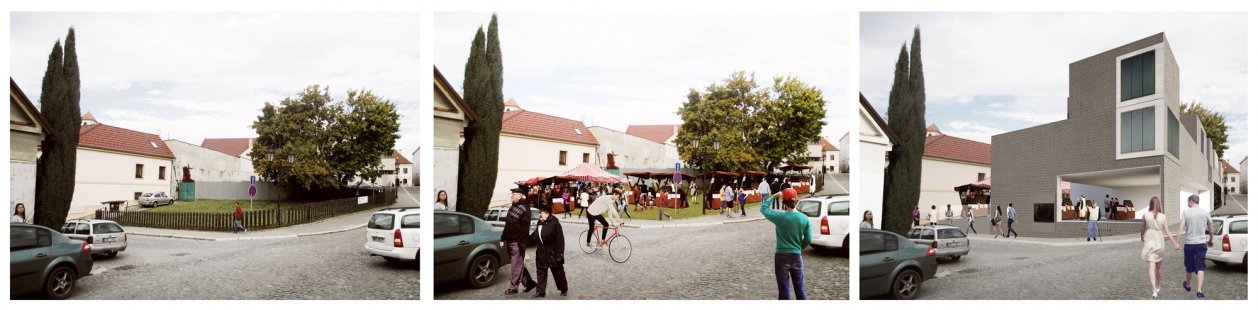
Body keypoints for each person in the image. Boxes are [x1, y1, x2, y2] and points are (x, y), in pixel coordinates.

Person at [761, 188, 809, 300]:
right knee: (799, 289)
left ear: (783, 203)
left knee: (784, 290)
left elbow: (763, 209)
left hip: (781, 256)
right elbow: (808, 238)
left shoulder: (779, 217)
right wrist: (798, 248)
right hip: (797, 255)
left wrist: (773, 196)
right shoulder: (804, 218)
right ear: (796, 201)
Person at [1141, 196, 1181, 298]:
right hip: (1159, 242)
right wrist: (1175, 243)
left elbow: (1142, 228)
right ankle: (1158, 286)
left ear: (1150, 204)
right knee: (1159, 267)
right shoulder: (1163, 216)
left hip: (1149, 240)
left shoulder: (1145, 215)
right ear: (1159, 204)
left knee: (1151, 266)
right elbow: (1167, 231)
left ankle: (1154, 290)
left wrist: (1142, 237)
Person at [500, 188, 537, 295]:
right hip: (510, 240)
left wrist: (522, 243)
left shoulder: (525, 208)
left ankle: (513, 288)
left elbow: (525, 228)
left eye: (514, 194)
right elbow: (508, 225)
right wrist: (503, 238)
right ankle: (529, 283)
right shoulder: (513, 207)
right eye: (512, 194)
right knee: (518, 264)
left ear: (520, 196)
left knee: (515, 265)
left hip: (517, 242)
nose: (512, 196)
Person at [1177, 194, 1213, 299]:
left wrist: (1177, 242)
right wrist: (1211, 240)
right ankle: (1199, 290)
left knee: (1189, 266)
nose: (1187, 204)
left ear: (1191, 201)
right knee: (1200, 266)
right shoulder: (1206, 213)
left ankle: (1188, 285)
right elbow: (1211, 229)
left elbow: (1180, 228)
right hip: (1201, 243)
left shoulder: (1185, 212)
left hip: (1189, 244)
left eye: (1188, 202)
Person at [529, 206, 567, 298]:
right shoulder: (539, 222)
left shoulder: (555, 224)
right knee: (541, 272)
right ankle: (541, 292)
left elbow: (560, 240)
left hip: (552, 253)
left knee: (558, 273)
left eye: (541, 213)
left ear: (547, 214)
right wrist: (524, 241)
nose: (539, 215)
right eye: (539, 213)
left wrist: (560, 254)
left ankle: (563, 289)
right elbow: (535, 235)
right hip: (541, 253)